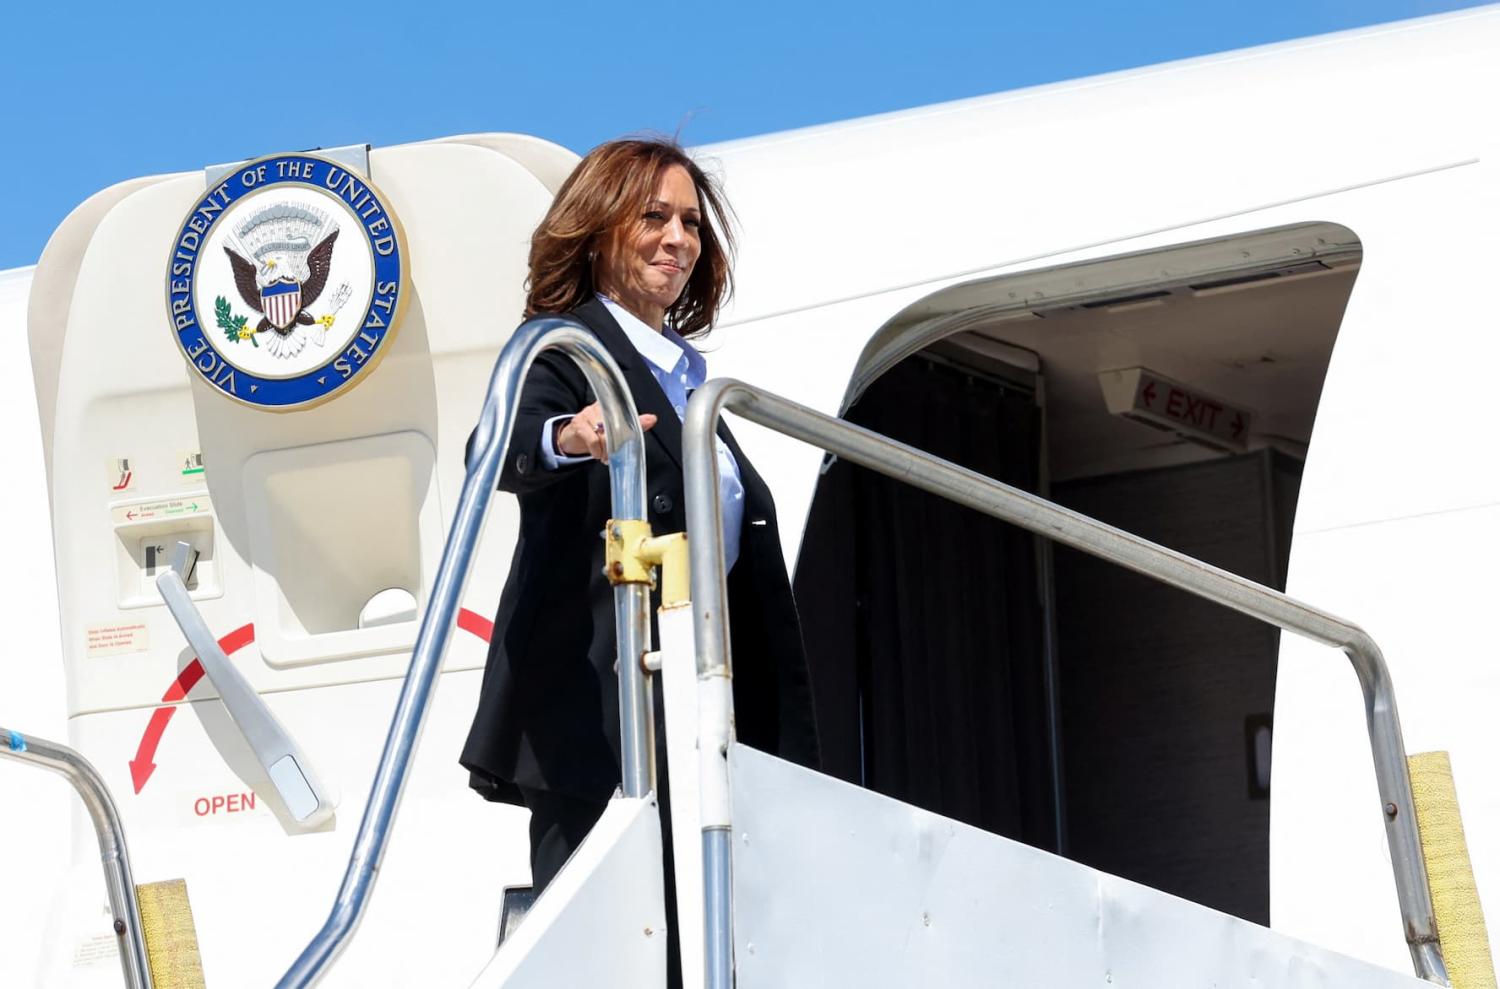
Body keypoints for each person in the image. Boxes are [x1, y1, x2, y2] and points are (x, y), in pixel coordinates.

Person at [459, 137, 820, 918]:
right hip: (599, 718)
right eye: (653, 216)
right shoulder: (566, 347)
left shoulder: (691, 377)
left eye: (691, 221)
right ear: (597, 230)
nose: (678, 238)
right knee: (612, 935)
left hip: (699, 712)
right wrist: (573, 438)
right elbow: (497, 448)